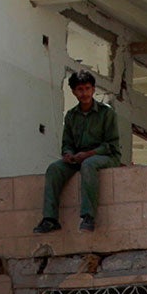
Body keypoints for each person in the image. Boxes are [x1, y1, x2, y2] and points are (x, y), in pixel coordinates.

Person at [36, 70, 121, 233]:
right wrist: (68, 155)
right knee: (54, 168)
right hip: (78, 158)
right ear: (74, 92)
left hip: (105, 157)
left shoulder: (106, 112)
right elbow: (67, 143)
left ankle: (88, 216)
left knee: (88, 165)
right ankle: (50, 218)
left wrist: (88, 154)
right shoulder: (71, 116)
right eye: (80, 90)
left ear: (93, 89)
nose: (84, 93)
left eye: (87, 89)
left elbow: (111, 145)